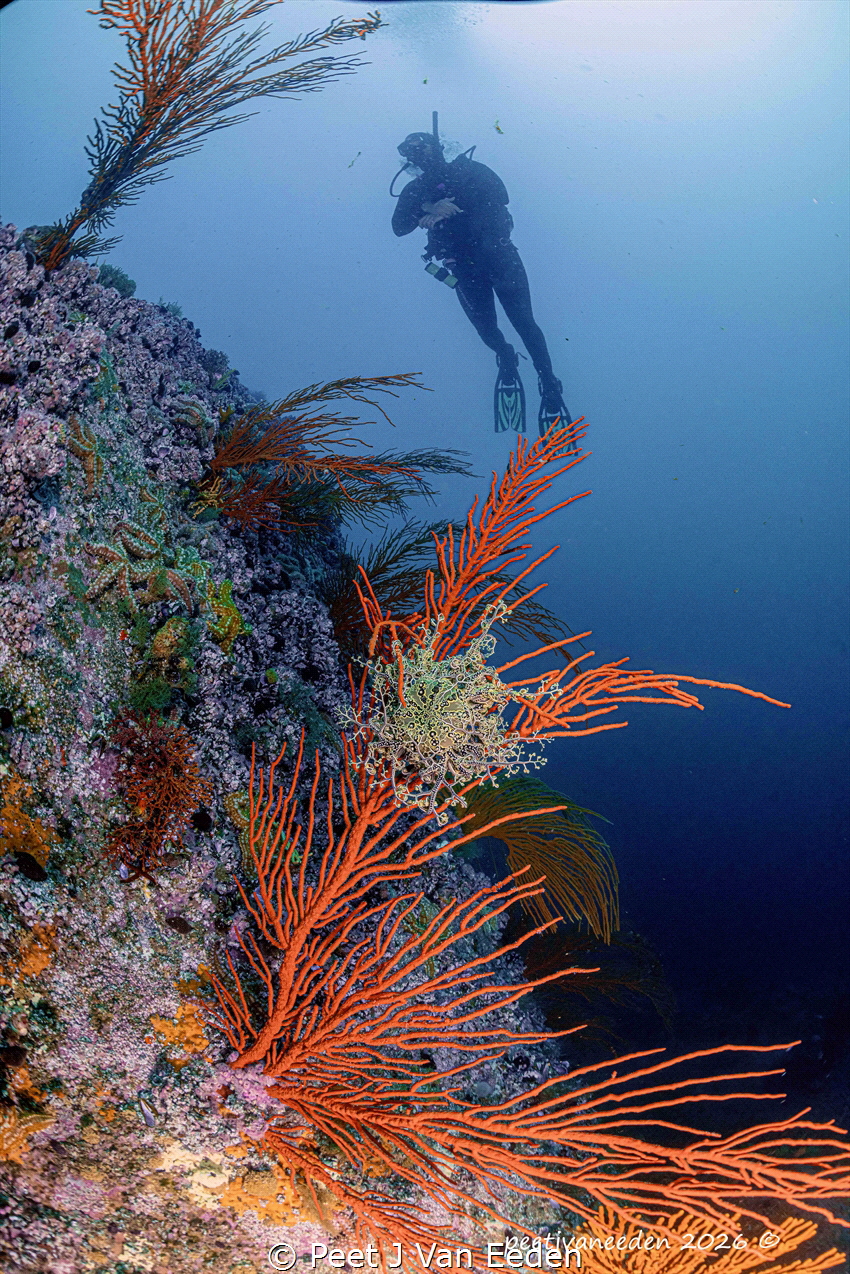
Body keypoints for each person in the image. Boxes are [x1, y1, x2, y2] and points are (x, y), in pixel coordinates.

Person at [391, 131, 572, 436]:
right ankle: (506, 355)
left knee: (524, 322)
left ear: (439, 146)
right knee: (485, 329)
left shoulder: (470, 170)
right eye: (411, 151)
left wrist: (450, 203)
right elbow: (398, 227)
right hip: (462, 267)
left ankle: (549, 381)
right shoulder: (414, 190)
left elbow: (501, 197)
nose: (420, 155)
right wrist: (428, 208)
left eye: (424, 147)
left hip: (500, 257)